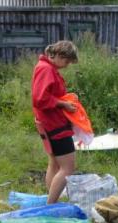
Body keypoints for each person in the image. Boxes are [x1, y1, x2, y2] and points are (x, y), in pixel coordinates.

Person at [32, 40, 79, 204]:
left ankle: (51, 200)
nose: (66, 65)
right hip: (55, 124)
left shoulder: (47, 68)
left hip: (48, 123)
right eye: (66, 61)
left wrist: (67, 98)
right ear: (59, 55)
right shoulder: (46, 70)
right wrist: (63, 104)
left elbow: (49, 94)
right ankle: (50, 204)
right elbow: (39, 99)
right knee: (68, 168)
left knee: (54, 164)